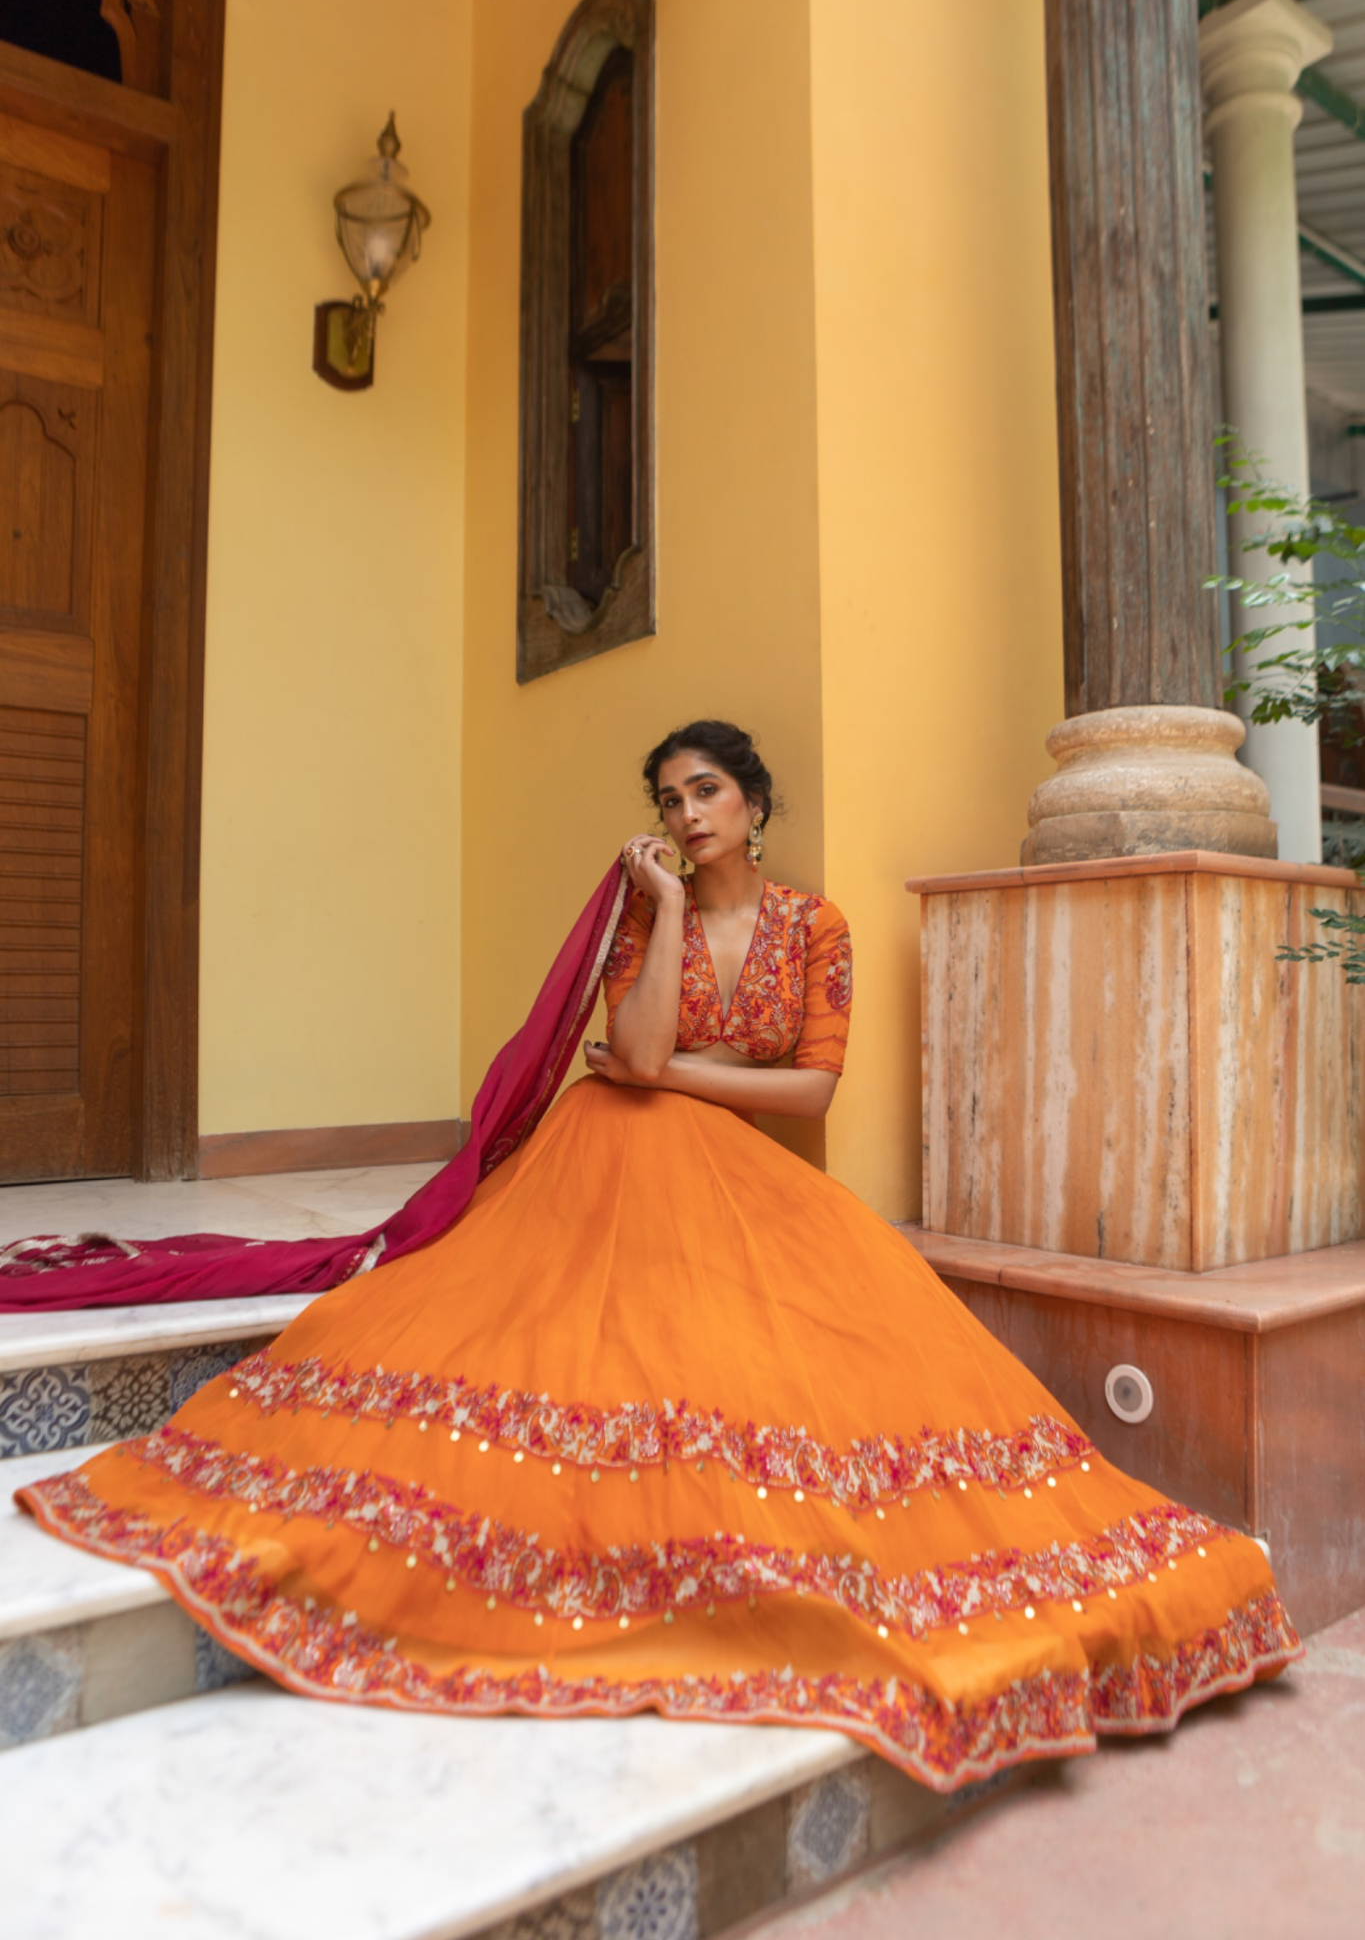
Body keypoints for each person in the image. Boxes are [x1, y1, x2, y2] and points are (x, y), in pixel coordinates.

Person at [16, 720, 1297, 1791]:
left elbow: (808, 1094)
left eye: (706, 793)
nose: (685, 814)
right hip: (612, 1146)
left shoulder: (819, 926)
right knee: (561, 1322)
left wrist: (684, 1073)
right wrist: (673, 927)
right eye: (669, 800)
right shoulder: (655, 910)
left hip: (733, 1164)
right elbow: (621, 1062)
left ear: (755, 801)